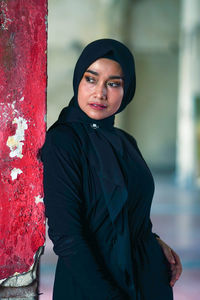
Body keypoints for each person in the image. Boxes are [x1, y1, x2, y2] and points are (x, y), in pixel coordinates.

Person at [41, 38, 182, 300]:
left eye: (113, 83)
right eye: (91, 79)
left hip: (147, 280)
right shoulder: (62, 142)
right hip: (92, 286)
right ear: (78, 82)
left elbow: (129, 210)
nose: (100, 93)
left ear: (126, 91)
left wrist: (155, 241)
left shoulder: (125, 142)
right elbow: (67, 237)